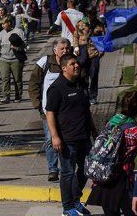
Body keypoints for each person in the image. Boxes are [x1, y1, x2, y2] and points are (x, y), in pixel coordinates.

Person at [46, 53, 97, 216]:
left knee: (86, 170)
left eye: (77, 63)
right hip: (67, 139)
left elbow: (86, 110)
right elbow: (50, 113)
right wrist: (55, 136)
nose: (77, 66)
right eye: (73, 64)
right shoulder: (56, 88)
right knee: (67, 172)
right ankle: (67, 207)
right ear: (64, 68)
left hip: (84, 136)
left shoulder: (80, 84)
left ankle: (76, 200)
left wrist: (94, 130)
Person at [86, 90, 137, 216]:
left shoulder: (112, 121)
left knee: (110, 212)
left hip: (105, 174)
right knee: (131, 211)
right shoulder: (134, 130)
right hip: (122, 177)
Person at [30, 38, 70, 182]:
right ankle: (53, 169)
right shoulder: (45, 62)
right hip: (48, 111)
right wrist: (38, 104)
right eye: (62, 49)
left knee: (67, 138)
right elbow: (33, 83)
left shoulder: (72, 62)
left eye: (67, 48)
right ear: (55, 50)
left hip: (67, 110)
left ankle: (67, 167)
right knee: (50, 139)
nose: (65, 51)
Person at [0, 16, 26, 103]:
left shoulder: (18, 31)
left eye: (3, 23)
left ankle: (18, 96)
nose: (2, 25)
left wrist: (17, 48)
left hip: (15, 59)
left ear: (9, 23)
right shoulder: (2, 32)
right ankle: (6, 96)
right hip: (4, 59)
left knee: (17, 79)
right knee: (5, 78)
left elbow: (24, 44)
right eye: (1, 24)